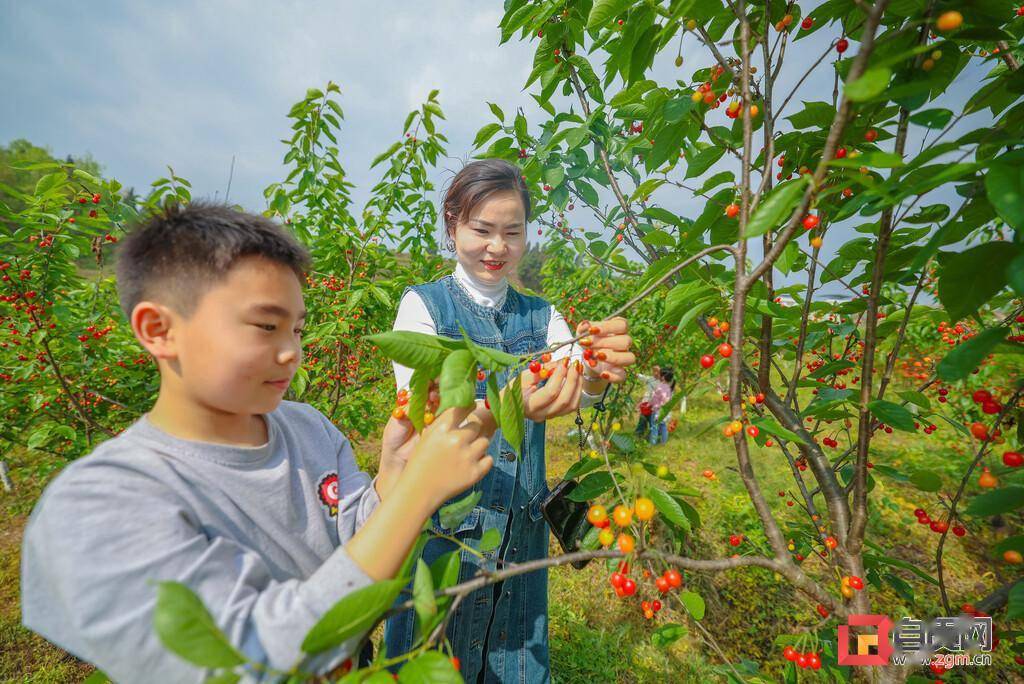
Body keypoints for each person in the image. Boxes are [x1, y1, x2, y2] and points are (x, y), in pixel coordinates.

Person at [20, 203, 497, 683]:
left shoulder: (309, 429)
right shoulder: (99, 502)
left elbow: (359, 549)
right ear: (159, 330)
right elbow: (249, 661)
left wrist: (394, 476)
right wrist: (416, 494)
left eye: (298, 329)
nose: (292, 351)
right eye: (266, 326)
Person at [384, 159, 635, 683]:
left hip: (521, 539)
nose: (497, 247)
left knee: (516, 662)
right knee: (431, 662)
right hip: (447, 534)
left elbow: (576, 393)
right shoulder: (423, 309)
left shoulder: (544, 318)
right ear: (452, 224)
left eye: (512, 233)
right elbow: (422, 421)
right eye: (481, 230)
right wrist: (508, 408)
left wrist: (597, 374)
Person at [648, 367, 675, 445]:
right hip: (666, 412)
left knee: (654, 428)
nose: (658, 375)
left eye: (659, 374)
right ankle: (664, 443)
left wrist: (650, 404)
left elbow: (655, 399)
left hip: (657, 411)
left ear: (663, 377)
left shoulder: (659, 387)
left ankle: (652, 443)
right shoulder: (669, 388)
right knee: (663, 427)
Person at [634, 365, 661, 438]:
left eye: (657, 371)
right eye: (654, 371)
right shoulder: (650, 379)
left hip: (654, 405)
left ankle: (653, 436)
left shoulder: (662, 382)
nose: (655, 373)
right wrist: (634, 373)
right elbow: (641, 377)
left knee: (653, 421)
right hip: (646, 403)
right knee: (642, 419)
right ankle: (639, 434)